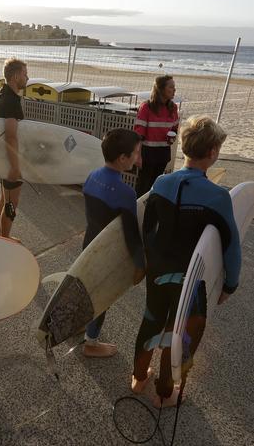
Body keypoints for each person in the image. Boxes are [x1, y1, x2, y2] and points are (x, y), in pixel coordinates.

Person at [131, 115, 240, 408]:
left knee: (152, 320)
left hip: (158, 270)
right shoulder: (218, 197)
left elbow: (147, 226)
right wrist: (230, 283)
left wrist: (147, 262)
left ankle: (139, 377)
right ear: (213, 152)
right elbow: (231, 245)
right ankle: (165, 394)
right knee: (180, 333)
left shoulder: (161, 182)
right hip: (189, 280)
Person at [81, 129, 145, 358]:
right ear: (122, 159)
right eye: (136, 154)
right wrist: (140, 264)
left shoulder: (91, 176)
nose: (138, 159)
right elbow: (131, 235)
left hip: (88, 244)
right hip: (107, 255)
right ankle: (91, 342)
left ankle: (81, 327)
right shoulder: (125, 193)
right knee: (102, 296)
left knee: (87, 288)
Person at [0, 58, 28, 238]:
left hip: (0, 157)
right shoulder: (12, 101)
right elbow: (11, 136)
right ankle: (4, 240)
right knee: (12, 204)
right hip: (9, 158)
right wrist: (15, 166)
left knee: (4, 199)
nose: (27, 78)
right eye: (25, 74)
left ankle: (1, 236)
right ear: (16, 76)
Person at [134, 75, 179, 197]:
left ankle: (149, 211)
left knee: (155, 186)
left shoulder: (173, 108)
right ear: (161, 89)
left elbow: (175, 128)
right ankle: (137, 211)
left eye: (174, 87)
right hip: (147, 153)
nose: (174, 90)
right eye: (171, 87)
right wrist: (137, 156)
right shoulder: (146, 107)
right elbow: (138, 134)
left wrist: (172, 137)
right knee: (143, 186)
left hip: (163, 153)